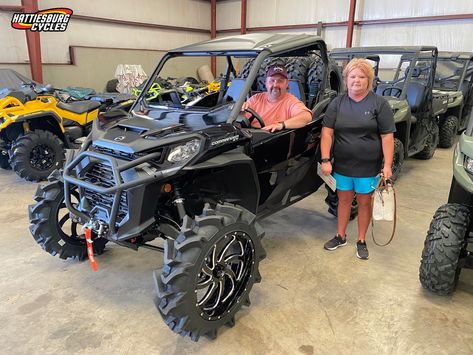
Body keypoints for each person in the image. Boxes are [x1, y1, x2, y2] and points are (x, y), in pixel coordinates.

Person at [320, 58, 395, 260]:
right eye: (353, 76)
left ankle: (361, 240)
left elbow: (387, 137)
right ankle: (340, 235)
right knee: (343, 201)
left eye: (362, 77)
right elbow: (327, 133)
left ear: (369, 80)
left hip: (368, 167)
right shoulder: (338, 103)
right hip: (343, 165)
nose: (357, 80)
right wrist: (326, 159)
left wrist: (387, 165)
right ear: (346, 79)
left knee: (364, 202)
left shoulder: (379, 104)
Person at [241, 64, 312, 132]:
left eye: (280, 81)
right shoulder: (256, 98)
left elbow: (306, 116)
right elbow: (242, 116)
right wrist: (241, 109)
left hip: (274, 139)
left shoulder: (291, 102)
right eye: (272, 81)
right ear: (266, 83)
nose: (275, 85)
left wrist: (281, 125)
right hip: (252, 136)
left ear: (287, 84)